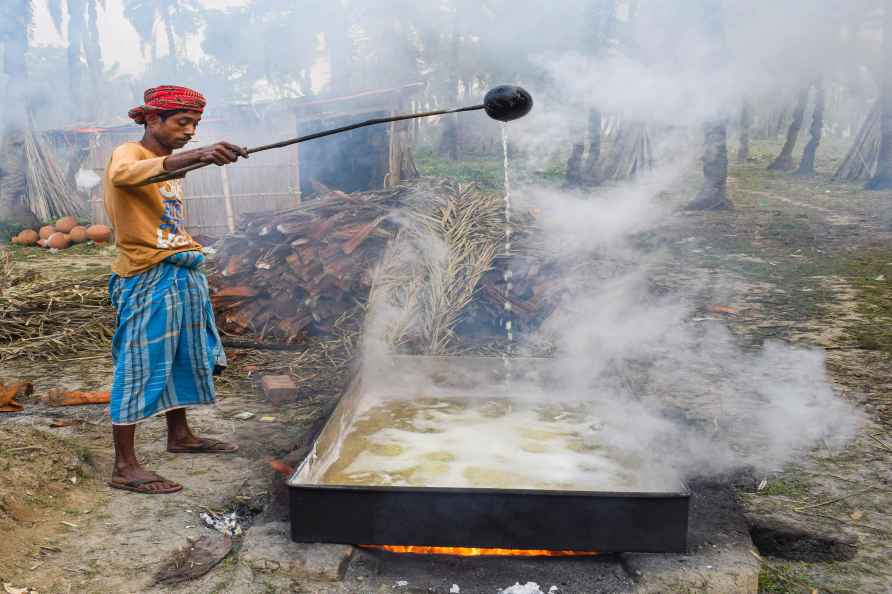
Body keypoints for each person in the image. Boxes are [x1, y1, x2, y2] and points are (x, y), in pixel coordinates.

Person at [103, 85, 247, 494]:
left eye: (196, 125)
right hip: (146, 275)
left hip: (179, 269)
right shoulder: (128, 154)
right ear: (152, 119)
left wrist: (199, 159)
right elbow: (121, 176)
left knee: (183, 355)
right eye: (182, 122)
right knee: (139, 365)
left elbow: (165, 201)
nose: (190, 132)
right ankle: (124, 465)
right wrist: (199, 155)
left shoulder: (167, 165)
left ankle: (179, 435)